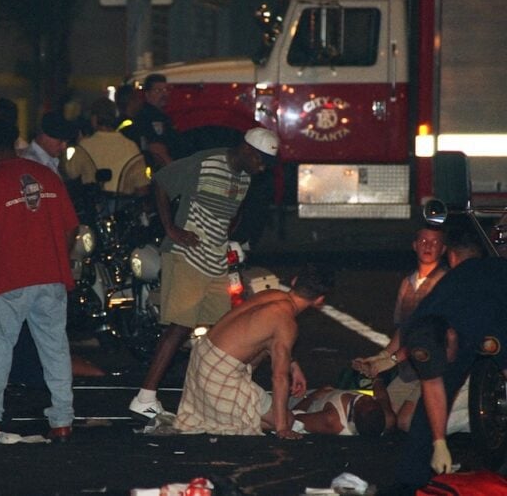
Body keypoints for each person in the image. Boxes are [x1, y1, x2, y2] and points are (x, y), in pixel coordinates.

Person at [128, 127, 280, 419]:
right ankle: (144, 397)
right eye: (261, 161)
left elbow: (231, 213)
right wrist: (171, 228)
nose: (262, 169)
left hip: (214, 258)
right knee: (179, 327)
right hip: (186, 255)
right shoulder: (206, 162)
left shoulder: (246, 178)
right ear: (248, 151)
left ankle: (209, 397)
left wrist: (224, 236)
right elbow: (161, 182)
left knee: (220, 330)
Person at [0, 118, 79, 443]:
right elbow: (71, 226)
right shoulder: (47, 176)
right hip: (52, 276)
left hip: (12, 277)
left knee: (0, 347)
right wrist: (57, 255)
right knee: (55, 349)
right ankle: (62, 421)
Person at [384, 228, 507, 493]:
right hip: (448, 319)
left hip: (496, 302)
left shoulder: (487, 323)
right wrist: (439, 442)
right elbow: (432, 384)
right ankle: (409, 482)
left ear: (452, 337)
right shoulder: (419, 324)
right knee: (428, 406)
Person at [173, 264, 333, 438]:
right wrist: (282, 428)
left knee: (265, 349)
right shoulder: (287, 323)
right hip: (219, 374)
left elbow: (263, 336)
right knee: (289, 419)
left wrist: (293, 365)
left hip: (201, 356)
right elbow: (279, 377)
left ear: (294, 281)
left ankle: (229, 410)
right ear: (319, 300)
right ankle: (237, 414)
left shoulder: (271, 295)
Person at [352, 225, 447, 432]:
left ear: (444, 249)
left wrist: (391, 361)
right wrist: (379, 357)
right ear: (414, 245)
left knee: (406, 422)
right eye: (423, 241)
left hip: (431, 371)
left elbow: (431, 336)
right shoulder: (407, 283)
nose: (428, 246)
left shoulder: (445, 284)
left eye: (434, 242)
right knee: (383, 421)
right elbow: (404, 330)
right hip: (408, 372)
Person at [64, 97, 150, 196]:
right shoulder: (131, 146)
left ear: (94, 118)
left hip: (95, 207)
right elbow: (142, 186)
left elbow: (70, 173)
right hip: (123, 207)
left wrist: (77, 146)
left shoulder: (85, 145)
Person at [124, 74, 186, 167]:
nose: (164, 94)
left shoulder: (163, 116)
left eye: (165, 90)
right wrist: (173, 170)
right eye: (158, 90)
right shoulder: (150, 116)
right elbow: (157, 149)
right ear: (147, 94)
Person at [289, 387, 385, 436]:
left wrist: (313, 396)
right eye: (372, 399)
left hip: (301, 401)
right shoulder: (384, 417)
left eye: (363, 401)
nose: (367, 397)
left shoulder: (332, 419)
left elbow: (291, 418)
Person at [21, 110, 76, 175]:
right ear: (44, 136)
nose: (64, 147)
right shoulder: (31, 162)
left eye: (66, 142)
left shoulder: (49, 160)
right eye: (60, 141)